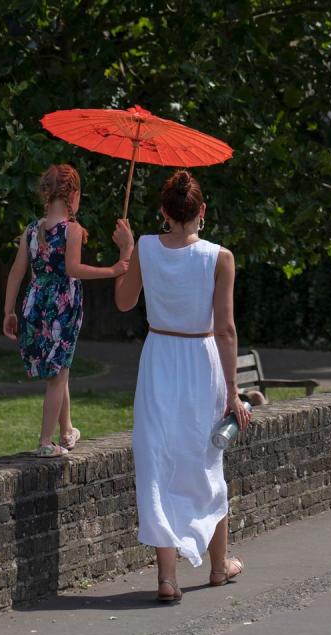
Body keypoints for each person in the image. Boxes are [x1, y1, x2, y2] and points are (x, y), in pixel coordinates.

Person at [113, 169, 252, 603]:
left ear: (163, 212)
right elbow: (226, 329)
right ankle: (218, 566)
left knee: (157, 460)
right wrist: (232, 391)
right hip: (202, 358)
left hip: (159, 359)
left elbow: (123, 301)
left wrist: (126, 251)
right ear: (202, 211)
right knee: (206, 459)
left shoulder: (147, 249)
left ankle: (167, 579)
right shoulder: (219, 257)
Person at [3, 164, 129, 457]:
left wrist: (9, 310)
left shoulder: (32, 230)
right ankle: (46, 442)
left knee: (60, 368)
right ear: (73, 195)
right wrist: (112, 269)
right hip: (62, 306)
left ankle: (67, 429)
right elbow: (73, 268)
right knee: (58, 373)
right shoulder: (72, 230)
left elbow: (16, 271)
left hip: (35, 303)